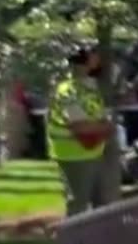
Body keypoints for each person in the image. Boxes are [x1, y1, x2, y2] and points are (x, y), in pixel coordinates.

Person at [47, 43, 114, 216]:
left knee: (101, 204)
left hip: (93, 152)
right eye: (94, 54)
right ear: (84, 60)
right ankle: (73, 242)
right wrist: (106, 127)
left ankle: (97, 241)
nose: (99, 58)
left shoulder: (90, 88)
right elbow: (81, 127)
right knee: (78, 205)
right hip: (74, 155)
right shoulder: (70, 91)